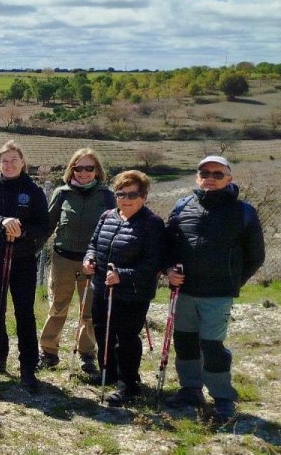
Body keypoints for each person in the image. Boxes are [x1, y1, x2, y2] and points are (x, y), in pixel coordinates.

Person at [164, 155, 265, 421]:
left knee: (212, 346)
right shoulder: (182, 206)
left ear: (229, 179)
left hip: (218, 294)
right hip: (184, 291)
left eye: (217, 174)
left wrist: (232, 280)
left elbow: (255, 256)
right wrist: (168, 270)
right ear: (197, 177)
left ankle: (222, 397)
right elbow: (167, 246)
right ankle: (190, 389)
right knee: (185, 342)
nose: (210, 177)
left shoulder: (243, 212)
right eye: (204, 172)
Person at [82, 169, 166, 406]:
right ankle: (108, 372)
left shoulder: (152, 224)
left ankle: (129, 385)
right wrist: (89, 259)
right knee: (102, 331)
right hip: (101, 286)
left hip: (132, 293)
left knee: (125, 338)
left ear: (144, 196)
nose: (125, 199)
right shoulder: (107, 216)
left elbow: (153, 264)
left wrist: (123, 275)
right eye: (121, 194)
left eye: (132, 195)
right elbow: (93, 244)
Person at [0, 140, 50, 389]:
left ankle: (28, 366)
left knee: (24, 313)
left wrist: (22, 232)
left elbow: (44, 227)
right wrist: (1, 221)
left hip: (23, 261)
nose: (9, 165)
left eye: (13, 160)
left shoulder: (34, 190)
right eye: (4, 161)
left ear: (22, 163)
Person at [39, 148, 115, 373]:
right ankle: (49, 351)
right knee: (57, 306)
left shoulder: (106, 195)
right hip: (63, 258)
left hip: (93, 262)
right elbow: (49, 224)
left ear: (96, 171)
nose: (83, 172)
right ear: (71, 169)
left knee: (89, 311)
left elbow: (113, 227)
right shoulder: (62, 193)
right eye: (78, 168)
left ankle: (86, 354)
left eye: (88, 168)